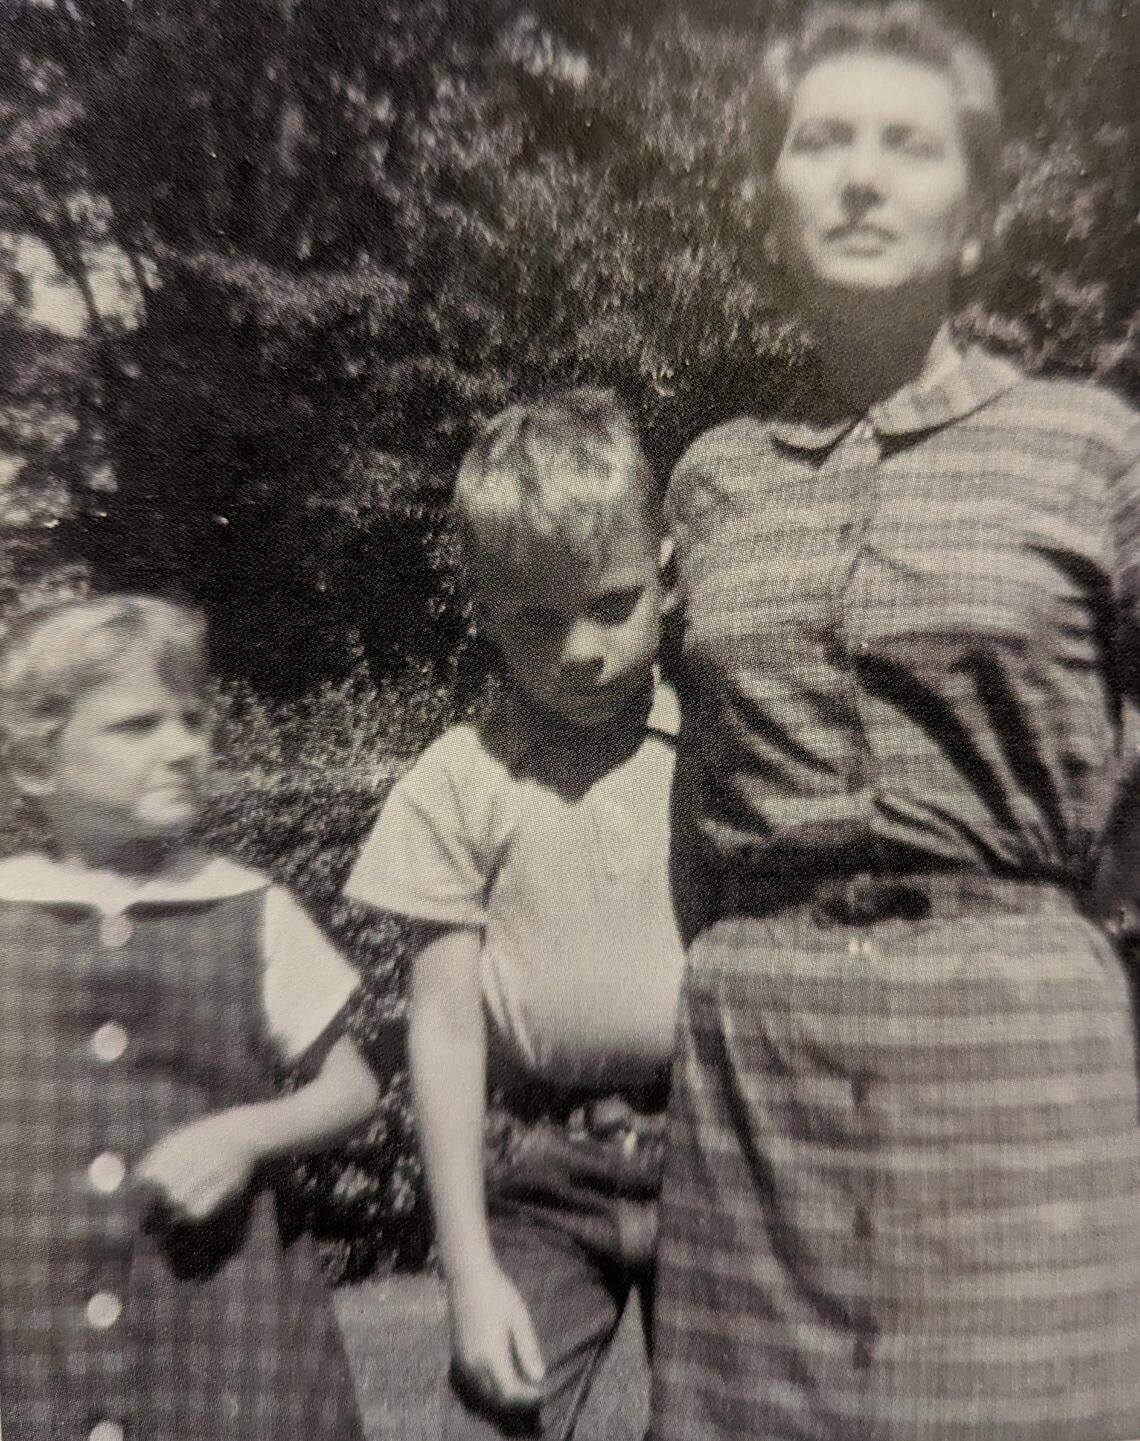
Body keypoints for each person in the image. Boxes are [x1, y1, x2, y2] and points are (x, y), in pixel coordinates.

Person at [649, 5, 1140, 1439]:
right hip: (763, 1078)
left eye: (909, 146)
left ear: (975, 216)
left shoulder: (1093, 446)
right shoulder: (710, 481)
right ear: (770, 195)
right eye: (824, 141)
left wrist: (1081, 917)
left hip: (1018, 1052)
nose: (861, 177)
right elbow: (688, 786)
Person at [345, 388, 685, 1439]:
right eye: (538, 619)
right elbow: (443, 1030)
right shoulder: (458, 784)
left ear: (669, 574)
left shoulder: (725, 751)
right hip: (538, 1176)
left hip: (716, 1156)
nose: (581, 648)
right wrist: (469, 1271)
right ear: (484, 605)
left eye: (613, 602)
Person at [0, 595, 378, 1441]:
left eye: (192, 720)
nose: (181, 748)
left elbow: (353, 1087)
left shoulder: (248, 908)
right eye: (137, 727)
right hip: (32, 1311)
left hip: (215, 1296)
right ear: (36, 763)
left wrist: (244, 1133)